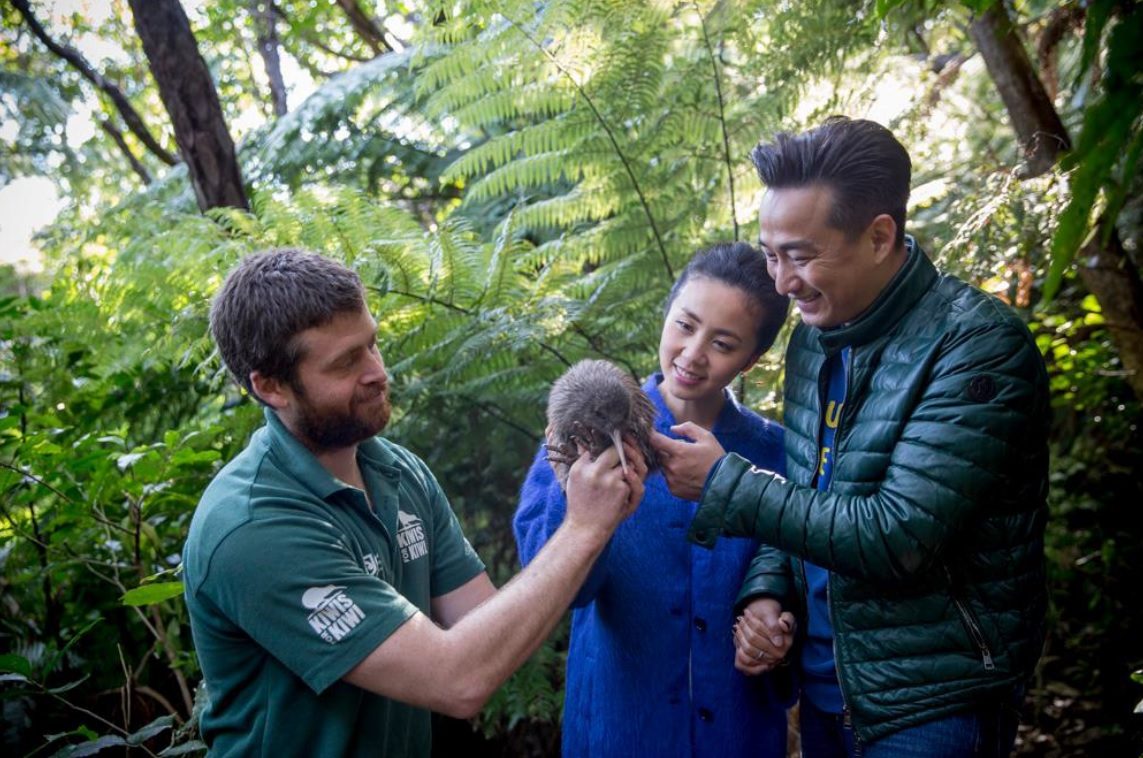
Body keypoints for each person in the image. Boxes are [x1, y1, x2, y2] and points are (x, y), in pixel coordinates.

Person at [652, 117, 1049, 757]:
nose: (781, 283)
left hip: (930, 705)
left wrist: (727, 483)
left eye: (801, 256)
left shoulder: (976, 347)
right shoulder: (813, 340)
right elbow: (812, 496)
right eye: (771, 254)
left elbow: (897, 535)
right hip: (827, 692)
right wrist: (766, 592)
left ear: (879, 235)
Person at [182, 248, 646, 757]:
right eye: (345, 363)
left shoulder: (398, 472)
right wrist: (583, 528)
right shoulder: (253, 526)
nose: (377, 372)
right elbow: (458, 680)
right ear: (271, 387)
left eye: (372, 345)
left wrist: (571, 496)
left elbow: (491, 632)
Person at [514, 242, 797, 757]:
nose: (692, 354)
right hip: (618, 731)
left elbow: (810, 579)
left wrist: (778, 622)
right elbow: (553, 590)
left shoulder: (776, 456)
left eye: (724, 343)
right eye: (685, 325)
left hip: (740, 735)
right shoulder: (586, 435)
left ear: (753, 359)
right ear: (667, 314)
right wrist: (576, 492)